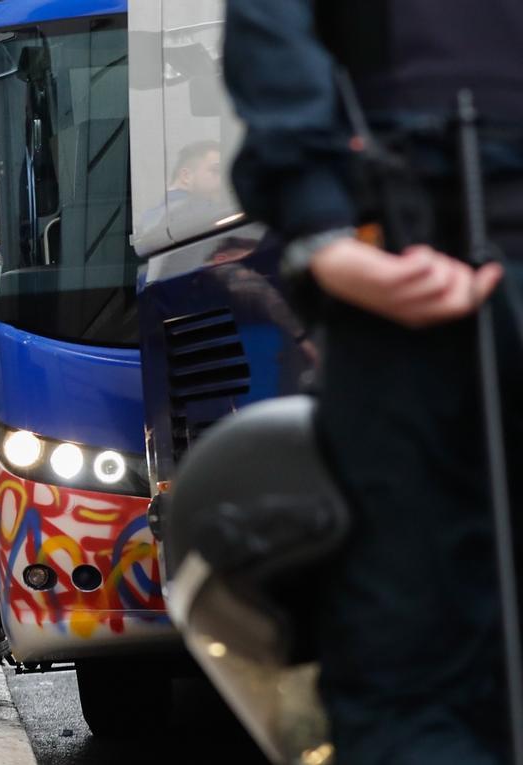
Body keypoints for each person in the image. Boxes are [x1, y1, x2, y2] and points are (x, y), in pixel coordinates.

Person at [223, 2, 523, 762]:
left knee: (410, 673)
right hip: (431, 202)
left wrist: (322, 225)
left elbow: (272, 25)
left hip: (411, 233)